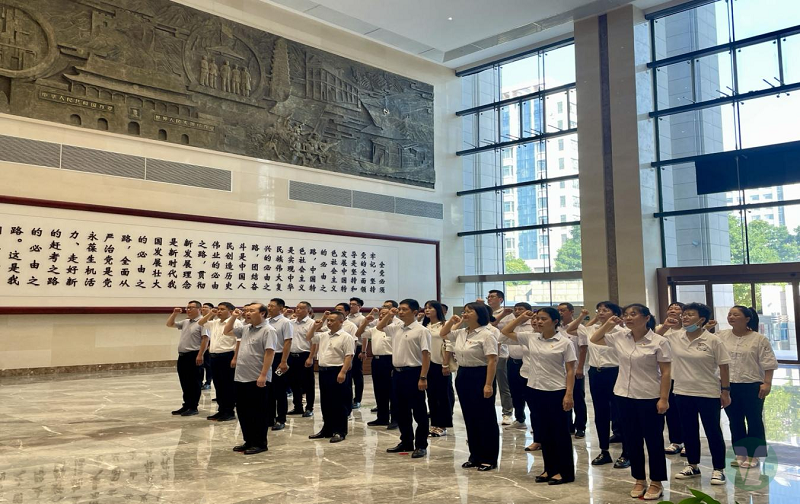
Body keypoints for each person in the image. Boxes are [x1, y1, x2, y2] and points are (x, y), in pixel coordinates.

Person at [590, 303, 672, 501]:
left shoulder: (659, 341)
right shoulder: (620, 336)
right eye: (626, 314)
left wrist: (663, 398)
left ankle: (656, 482)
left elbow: (666, 372)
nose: (628, 318)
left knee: (653, 441)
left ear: (646, 317)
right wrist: (609, 323)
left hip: (649, 396)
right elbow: (595, 338)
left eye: (633, 314)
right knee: (632, 439)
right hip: (623, 395)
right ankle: (639, 479)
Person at [502, 308, 577, 485]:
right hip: (535, 389)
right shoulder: (531, 337)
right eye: (537, 318)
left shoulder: (564, 342)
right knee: (544, 432)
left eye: (544, 319)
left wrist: (569, 394)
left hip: (556, 390)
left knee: (560, 433)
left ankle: (565, 472)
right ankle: (549, 468)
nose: (539, 322)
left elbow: (570, 370)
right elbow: (505, 331)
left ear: (555, 322)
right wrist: (521, 317)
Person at [665, 303, 731, 485]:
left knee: (712, 431)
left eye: (690, 314)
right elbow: (655, 337)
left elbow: (724, 367)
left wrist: (725, 391)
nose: (685, 317)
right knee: (689, 430)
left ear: (701, 319)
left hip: (708, 392)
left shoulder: (713, 340)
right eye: (684, 314)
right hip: (682, 391)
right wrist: (666, 324)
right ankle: (692, 465)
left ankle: (719, 469)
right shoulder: (675, 337)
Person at [567, 301, 629, 468]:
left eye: (605, 310)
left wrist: (613, 324)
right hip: (596, 373)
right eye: (599, 310)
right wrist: (586, 317)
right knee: (600, 413)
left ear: (615, 314)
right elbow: (570, 329)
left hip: (616, 372)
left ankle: (626, 452)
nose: (601, 312)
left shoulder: (623, 332)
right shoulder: (591, 329)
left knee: (620, 413)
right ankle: (604, 451)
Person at [440, 302, 499, 471]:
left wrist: (488, 384)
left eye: (469, 311)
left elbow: (492, 360)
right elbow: (443, 334)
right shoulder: (461, 332)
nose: (465, 314)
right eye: (464, 311)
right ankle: (475, 456)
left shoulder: (487, 334)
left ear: (480, 314)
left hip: (481, 374)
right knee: (470, 416)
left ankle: (489, 458)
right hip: (463, 374)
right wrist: (452, 321)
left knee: (485, 417)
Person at [718, 306, 779, 469]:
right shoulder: (721, 336)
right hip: (728, 385)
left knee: (754, 420)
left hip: (752, 385)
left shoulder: (759, 339)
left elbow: (769, 362)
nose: (731, 317)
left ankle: (754, 455)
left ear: (747, 319)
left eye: (735, 315)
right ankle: (740, 453)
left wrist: (767, 383)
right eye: (729, 314)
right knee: (735, 420)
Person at [377, 299, 432, 459]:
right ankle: (406, 441)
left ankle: (421, 445)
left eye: (404, 309)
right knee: (401, 410)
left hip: (414, 373)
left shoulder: (421, 330)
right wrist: (389, 314)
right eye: (399, 309)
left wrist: (423, 377)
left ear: (415, 312)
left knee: (419, 411)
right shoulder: (397, 327)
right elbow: (379, 327)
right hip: (398, 373)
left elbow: (426, 355)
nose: (400, 312)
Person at [225, 303, 277, 455]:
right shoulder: (246, 328)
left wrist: (263, 375)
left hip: (257, 378)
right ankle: (248, 440)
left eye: (251, 311)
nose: (247, 313)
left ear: (262, 313)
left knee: (258, 412)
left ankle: (260, 443)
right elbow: (226, 331)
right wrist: (234, 316)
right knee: (243, 411)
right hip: (241, 377)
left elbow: (269, 353)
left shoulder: (268, 330)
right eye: (246, 311)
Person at [309, 311, 355, 443]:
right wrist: (315, 326)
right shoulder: (324, 335)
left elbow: (349, 356)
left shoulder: (346, 337)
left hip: (337, 370)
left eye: (332, 320)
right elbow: (309, 337)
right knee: (326, 402)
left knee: (339, 403)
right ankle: (327, 429)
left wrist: (343, 372)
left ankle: (340, 431)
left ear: (341, 321)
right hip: (324, 371)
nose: (329, 323)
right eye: (328, 320)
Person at [198, 302, 241, 421]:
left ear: (231, 311)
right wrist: (210, 314)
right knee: (218, 385)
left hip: (227, 356)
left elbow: (239, 341)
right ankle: (221, 410)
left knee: (228, 385)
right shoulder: (215, 322)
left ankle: (229, 411)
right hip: (214, 357)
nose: (219, 311)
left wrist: (235, 357)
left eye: (222, 309)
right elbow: (200, 323)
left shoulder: (236, 323)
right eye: (218, 309)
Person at [655, 301, 686, 456]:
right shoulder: (660, 328)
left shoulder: (688, 330)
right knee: (671, 410)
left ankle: (689, 442)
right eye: (670, 308)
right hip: (667, 376)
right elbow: (652, 339)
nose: (673, 310)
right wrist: (666, 327)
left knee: (686, 412)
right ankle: (675, 441)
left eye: (677, 308)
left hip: (684, 375)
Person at [166, 301, 205, 416]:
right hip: (183, 356)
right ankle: (186, 404)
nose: (188, 310)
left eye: (191, 308)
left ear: (199, 309)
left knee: (194, 382)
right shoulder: (186, 322)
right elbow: (169, 324)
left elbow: (205, 339)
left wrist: (200, 355)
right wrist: (174, 313)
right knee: (185, 381)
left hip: (194, 355)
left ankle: (193, 406)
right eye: (187, 307)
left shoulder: (203, 322)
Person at [359, 307, 396, 428]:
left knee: (393, 391)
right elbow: (358, 334)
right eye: (380, 314)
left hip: (391, 360)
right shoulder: (374, 329)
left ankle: (395, 419)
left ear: (391, 315)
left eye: (384, 314)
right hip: (377, 361)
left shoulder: (396, 328)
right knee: (379, 390)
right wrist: (365, 322)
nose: (381, 316)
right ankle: (382, 417)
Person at [422, 300, 453, 437]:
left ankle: (443, 425)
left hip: (440, 364)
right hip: (427, 365)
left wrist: (445, 364)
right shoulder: (425, 326)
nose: (427, 310)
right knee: (431, 396)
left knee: (442, 396)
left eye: (430, 308)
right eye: (426, 308)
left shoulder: (444, 325)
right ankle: (434, 423)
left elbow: (449, 345)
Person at [557, 302, 587, 438]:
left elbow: (583, 349)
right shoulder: (557, 327)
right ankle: (568, 426)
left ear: (571, 311)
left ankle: (580, 426)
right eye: (559, 310)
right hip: (560, 370)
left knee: (578, 399)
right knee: (563, 398)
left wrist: (580, 367)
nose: (560, 312)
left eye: (563, 310)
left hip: (575, 369)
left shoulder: (580, 328)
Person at [486, 290, 514, 425]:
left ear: (501, 299)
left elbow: (494, 325)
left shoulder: (509, 315)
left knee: (503, 385)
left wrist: (502, 315)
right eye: (488, 297)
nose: (489, 299)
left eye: (492, 297)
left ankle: (507, 413)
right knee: (488, 384)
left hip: (501, 353)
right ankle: (488, 411)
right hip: (486, 353)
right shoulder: (485, 312)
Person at [266, 298, 293, 430]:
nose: (269, 308)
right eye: (268, 306)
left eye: (272, 306)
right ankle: (269, 418)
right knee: (269, 389)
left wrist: (283, 361)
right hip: (268, 357)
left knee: (279, 389)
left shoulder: (285, 322)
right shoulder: (266, 321)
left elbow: (288, 342)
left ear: (281, 309)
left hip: (279, 358)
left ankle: (281, 418)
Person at [287, 301, 317, 418]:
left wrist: (310, 357)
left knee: (308, 383)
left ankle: (309, 408)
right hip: (291, 355)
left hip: (305, 355)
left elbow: (314, 342)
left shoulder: (312, 323)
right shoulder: (291, 323)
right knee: (294, 382)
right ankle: (298, 406)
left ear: (308, 311)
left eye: (301, 308)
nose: (298, 310)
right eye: (297, 307)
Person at [505, 302, 532, 431]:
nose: (517, 311)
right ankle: (520, 419)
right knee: (515, 393)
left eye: (520, 309)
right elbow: (502, 336)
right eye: (515, 309)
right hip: (512, 362)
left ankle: (536, 421)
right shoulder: (512, 325)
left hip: (527, 363)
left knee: (529, 393)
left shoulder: (533, 325)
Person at [346, 299, 366, 409]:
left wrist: (363, 351)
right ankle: (348, 398)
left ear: (360, 307)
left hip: (357, 348)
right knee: (347, 374)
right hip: (346, 348)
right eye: (350, 304)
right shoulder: (346, 317)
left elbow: (364, 336)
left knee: (357, 375)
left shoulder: (361, 319)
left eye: (354, 304)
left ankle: (357, 399)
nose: (351, 306)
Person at [199, 303, 215, 391]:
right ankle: (200, 382)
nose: (203, 309)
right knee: (200, 365)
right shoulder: (200, 320)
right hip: (200, 346)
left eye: (205, 307)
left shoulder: (214, 321)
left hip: (210, 346)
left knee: (208, 366)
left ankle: (208, 382)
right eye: (202, 307)